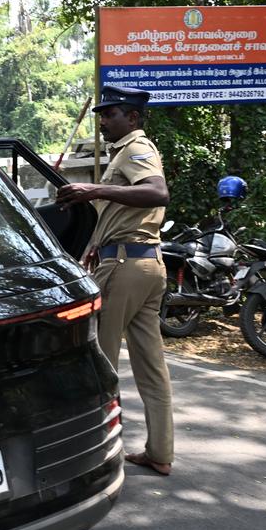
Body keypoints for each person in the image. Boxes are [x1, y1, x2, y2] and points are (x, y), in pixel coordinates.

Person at [56, 85, 175, 476]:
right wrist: (94, 243)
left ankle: (96, 456)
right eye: (102, 115)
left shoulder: (137, 149)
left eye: (110, 114)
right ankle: (160, 452)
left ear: (132, 118)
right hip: (142, 264)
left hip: (125, 267)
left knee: (100, 363)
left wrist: (93, 189)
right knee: (151, 367)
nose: (103, 121)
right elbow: (120, 214)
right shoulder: (124, 152)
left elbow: (157, 192)